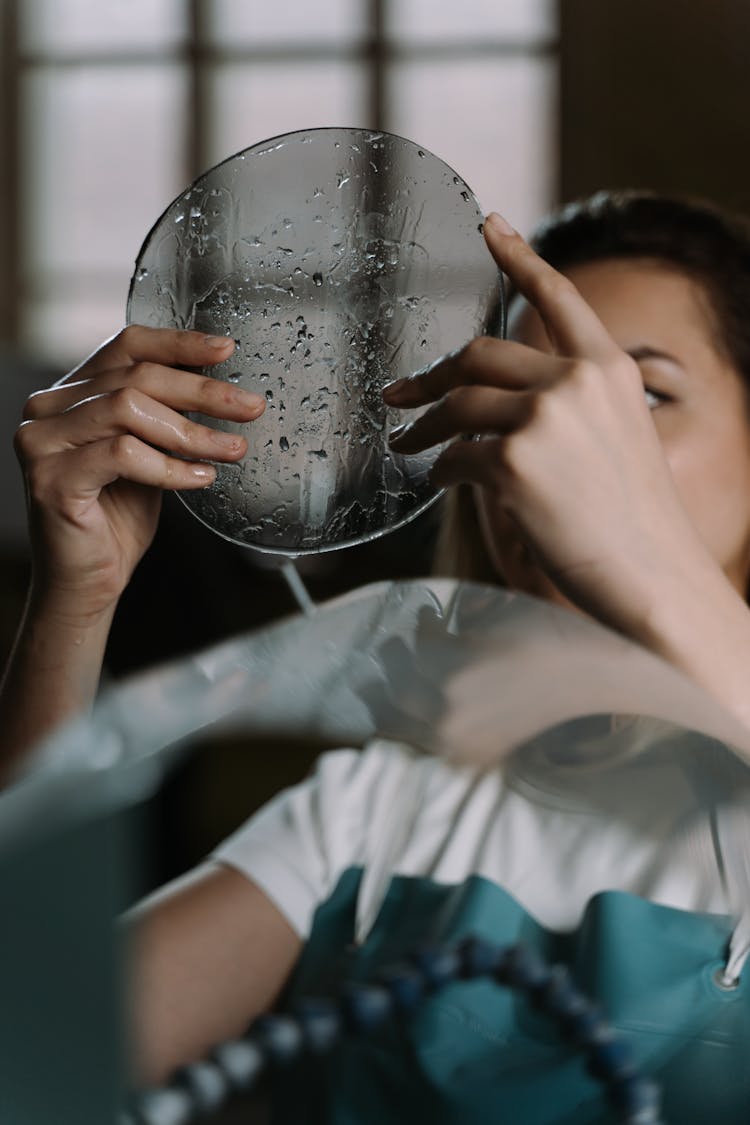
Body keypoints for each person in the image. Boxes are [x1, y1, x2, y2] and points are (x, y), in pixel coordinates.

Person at [4, 190, 750, 1118]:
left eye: (640, 395)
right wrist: (77, 601)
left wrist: (645, 558)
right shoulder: (372, 816)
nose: (548, 440)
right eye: (512, 396)